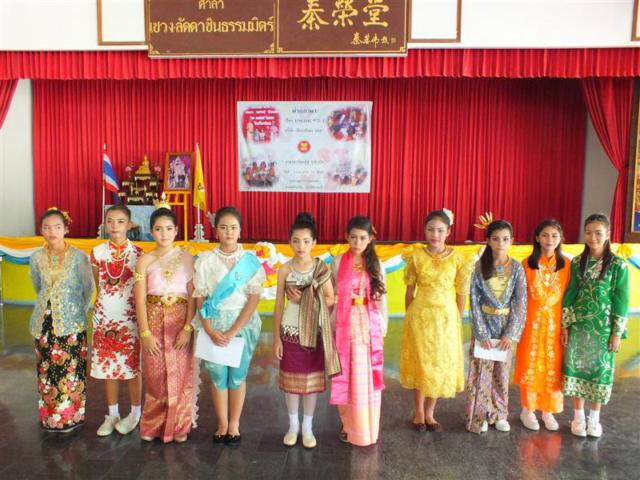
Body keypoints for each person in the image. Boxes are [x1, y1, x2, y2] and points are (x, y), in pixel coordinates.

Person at [193, 206, 264, 445]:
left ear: (240, 230)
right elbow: (200, 297)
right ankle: (222, 423)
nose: (229, 232)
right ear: (216, 231)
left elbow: (253, 298)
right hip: (213, 322)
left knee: (238, 376)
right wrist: (209, 329)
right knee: (217, 376)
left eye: (233, 227)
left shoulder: (249, 262)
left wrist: (234, 330)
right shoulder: (206, 261)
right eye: (223, 227)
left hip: (242, 325)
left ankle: (234, 423)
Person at [400, 209, 470, 432]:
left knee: (439, 365)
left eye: (440, 230)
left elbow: (461, 292)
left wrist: (457, 318)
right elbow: (409, 291)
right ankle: (419, 412)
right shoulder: (415, 257)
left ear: (448, 232)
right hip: (420, 317)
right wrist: (409, 316)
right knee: (422, 363)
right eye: (430, 229)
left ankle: (430, 413)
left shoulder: (458, 258)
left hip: (446, 319)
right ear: (424, 230)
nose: (435, 234)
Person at [273, 212, 338, 449]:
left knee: (310, 385)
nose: (301, 246)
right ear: (289, 242)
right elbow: (278, 304)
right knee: (291, 383)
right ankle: (293, 426)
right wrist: (276, 338)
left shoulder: (321, 269)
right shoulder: (284, 270)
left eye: (306, 241)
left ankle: (308, 428)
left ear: (314, 243)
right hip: (289, 332)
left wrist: (306, 300)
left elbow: (331, 299)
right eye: (296, 241)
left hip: (314, 333)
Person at [562, 213, 629, 438]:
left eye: (598, 233)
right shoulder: (577, 262)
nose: (593, 237)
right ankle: (578, 418)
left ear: (608, 234)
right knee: (577, 367)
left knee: (600, 371)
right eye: (588, 232)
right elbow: (570, 294)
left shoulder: (618, 265)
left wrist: (616, 333)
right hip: (579, 326)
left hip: (604, 329)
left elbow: (621, 300)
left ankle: (594, 419)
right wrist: (565, 325)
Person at [134, 207, 196, 443]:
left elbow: (193, 296)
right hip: (153, 319)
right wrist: (145, 333)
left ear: (176, 230)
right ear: (151, 232)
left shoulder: (187, 258)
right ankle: (152, 425)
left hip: (180, 321)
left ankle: (179, 426)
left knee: (181, 375)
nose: (164, 234)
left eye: (169, 228)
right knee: (154, 375)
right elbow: (139, 298)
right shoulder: (144, 261)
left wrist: (188, 328)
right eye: (159, 229)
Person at [29, 207, 94, 432]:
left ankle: (71, 417)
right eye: (47, 227)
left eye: (57, 227)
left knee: (70, 371)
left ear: (66, 229)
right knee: (46, 371)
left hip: (71, 322)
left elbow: (88, 287)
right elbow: (37, 285)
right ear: (41, 230)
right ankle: (50, 418)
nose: (52, 232)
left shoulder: (78, 257)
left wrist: (75, 310)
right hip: (44, 322)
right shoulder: (36, 257)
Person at [465, 219, 527, 434]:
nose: (501, 243)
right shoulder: (479, 267)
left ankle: (499, 414)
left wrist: (511, 334)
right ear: (488, 241)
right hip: (484, 327)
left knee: (501, 373)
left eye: (505, 239)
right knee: (481, 372)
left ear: (512, 241)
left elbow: (520, 302)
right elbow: (473, 301)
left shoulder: (517, 268)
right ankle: (479, 415)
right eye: (496, 239)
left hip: (505, 330)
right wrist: (481, 332)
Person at [330, 216, 387, 446]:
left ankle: (367, 428)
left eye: (362, 238)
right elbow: (331, 296)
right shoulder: (337, 262)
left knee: (366, 377)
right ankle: (348, 425)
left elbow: (382, 299)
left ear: (370, 238)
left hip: (368, 326)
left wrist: (382, 324)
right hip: (344, 324)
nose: (357, 242)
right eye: (353, 237)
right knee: (346, 374)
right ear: (346, 236)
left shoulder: (376, 263)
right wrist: (329, 325)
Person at [90, 205, 144, 436]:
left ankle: (134, 413)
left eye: (120, 221)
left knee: (132, 368)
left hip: (130, 318)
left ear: (129, 225)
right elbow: (99, 285)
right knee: (108, 366)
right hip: (105, 317)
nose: (114, 226)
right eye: (110, 221)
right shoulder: (97, 252)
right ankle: (112, 414)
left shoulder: (139, 254)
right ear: (105, 223)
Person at [514, 220, 570, 432]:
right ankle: (527, 410)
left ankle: (548, 411)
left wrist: (566, 326)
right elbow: (519, 299)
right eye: (545, 235)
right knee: (530, 365)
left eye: (554, 236)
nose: (550, 240)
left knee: (552, 367)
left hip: (555, 327)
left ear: (560, 238)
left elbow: (569, 298)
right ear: (537, 238)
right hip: (531, 326)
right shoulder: (526, 264)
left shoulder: (566, 265)